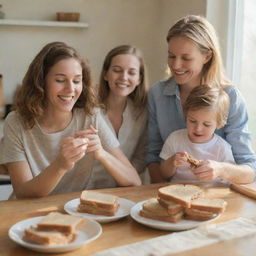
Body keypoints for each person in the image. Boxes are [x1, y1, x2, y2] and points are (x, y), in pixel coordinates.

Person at [0, 42, 141, 199]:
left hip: (72, 211)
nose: (70, 89)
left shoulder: (91, 116)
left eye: (76, 80)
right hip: (27, 213)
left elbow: (134, 181)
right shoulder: (16, 122)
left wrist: (101, 154)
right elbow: (23, 192)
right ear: (41, 82)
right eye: (60, 80)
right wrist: (61, 165)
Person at [147, 15, 256, 184]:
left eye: (186, 58)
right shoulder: (157, 93)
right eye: (171, 56)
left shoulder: (230, 97)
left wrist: (221, 169)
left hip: (217, 197)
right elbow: (153, 155)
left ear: (207, 57)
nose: (175, 65)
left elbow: (250, 169)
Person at [87, 45, 148, 189]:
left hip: (123, 190)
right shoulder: (88, 109)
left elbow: (140, 157)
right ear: (106, 74)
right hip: (84, 189)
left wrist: (123, 178)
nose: (124, 77)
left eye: (132, 72)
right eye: (117, 70)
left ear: (139, 79)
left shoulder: (142, 112)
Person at [160, 84, 235, 183]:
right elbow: (163, 174)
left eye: (206, 124)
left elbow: (229, 179)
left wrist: (218, 172)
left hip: (209, 194)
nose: (198, 129)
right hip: (178, 193)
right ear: (186, 116)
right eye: (192, 121)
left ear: (219, 123)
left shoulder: (222, 148)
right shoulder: (174, 139)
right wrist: (172, 162)